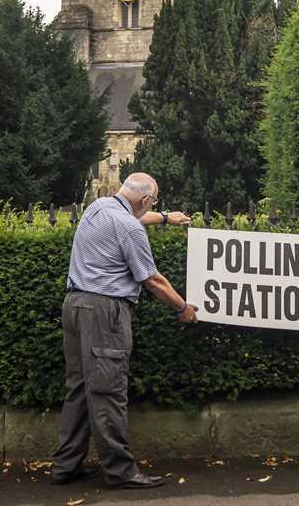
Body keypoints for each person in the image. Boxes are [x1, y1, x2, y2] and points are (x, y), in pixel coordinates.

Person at [50, 172, 196, 489]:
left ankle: (66, 465)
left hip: (74, 306)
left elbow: (134, 217)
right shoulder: (130, 227)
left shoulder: (98, 207)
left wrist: (166, 218)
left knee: (78, 388)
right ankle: (120, 472)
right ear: (145, 200)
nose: (152, 207)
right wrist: (182, 307)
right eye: (153, 203)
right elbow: (152, 279)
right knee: (108, 391)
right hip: (105, 314)